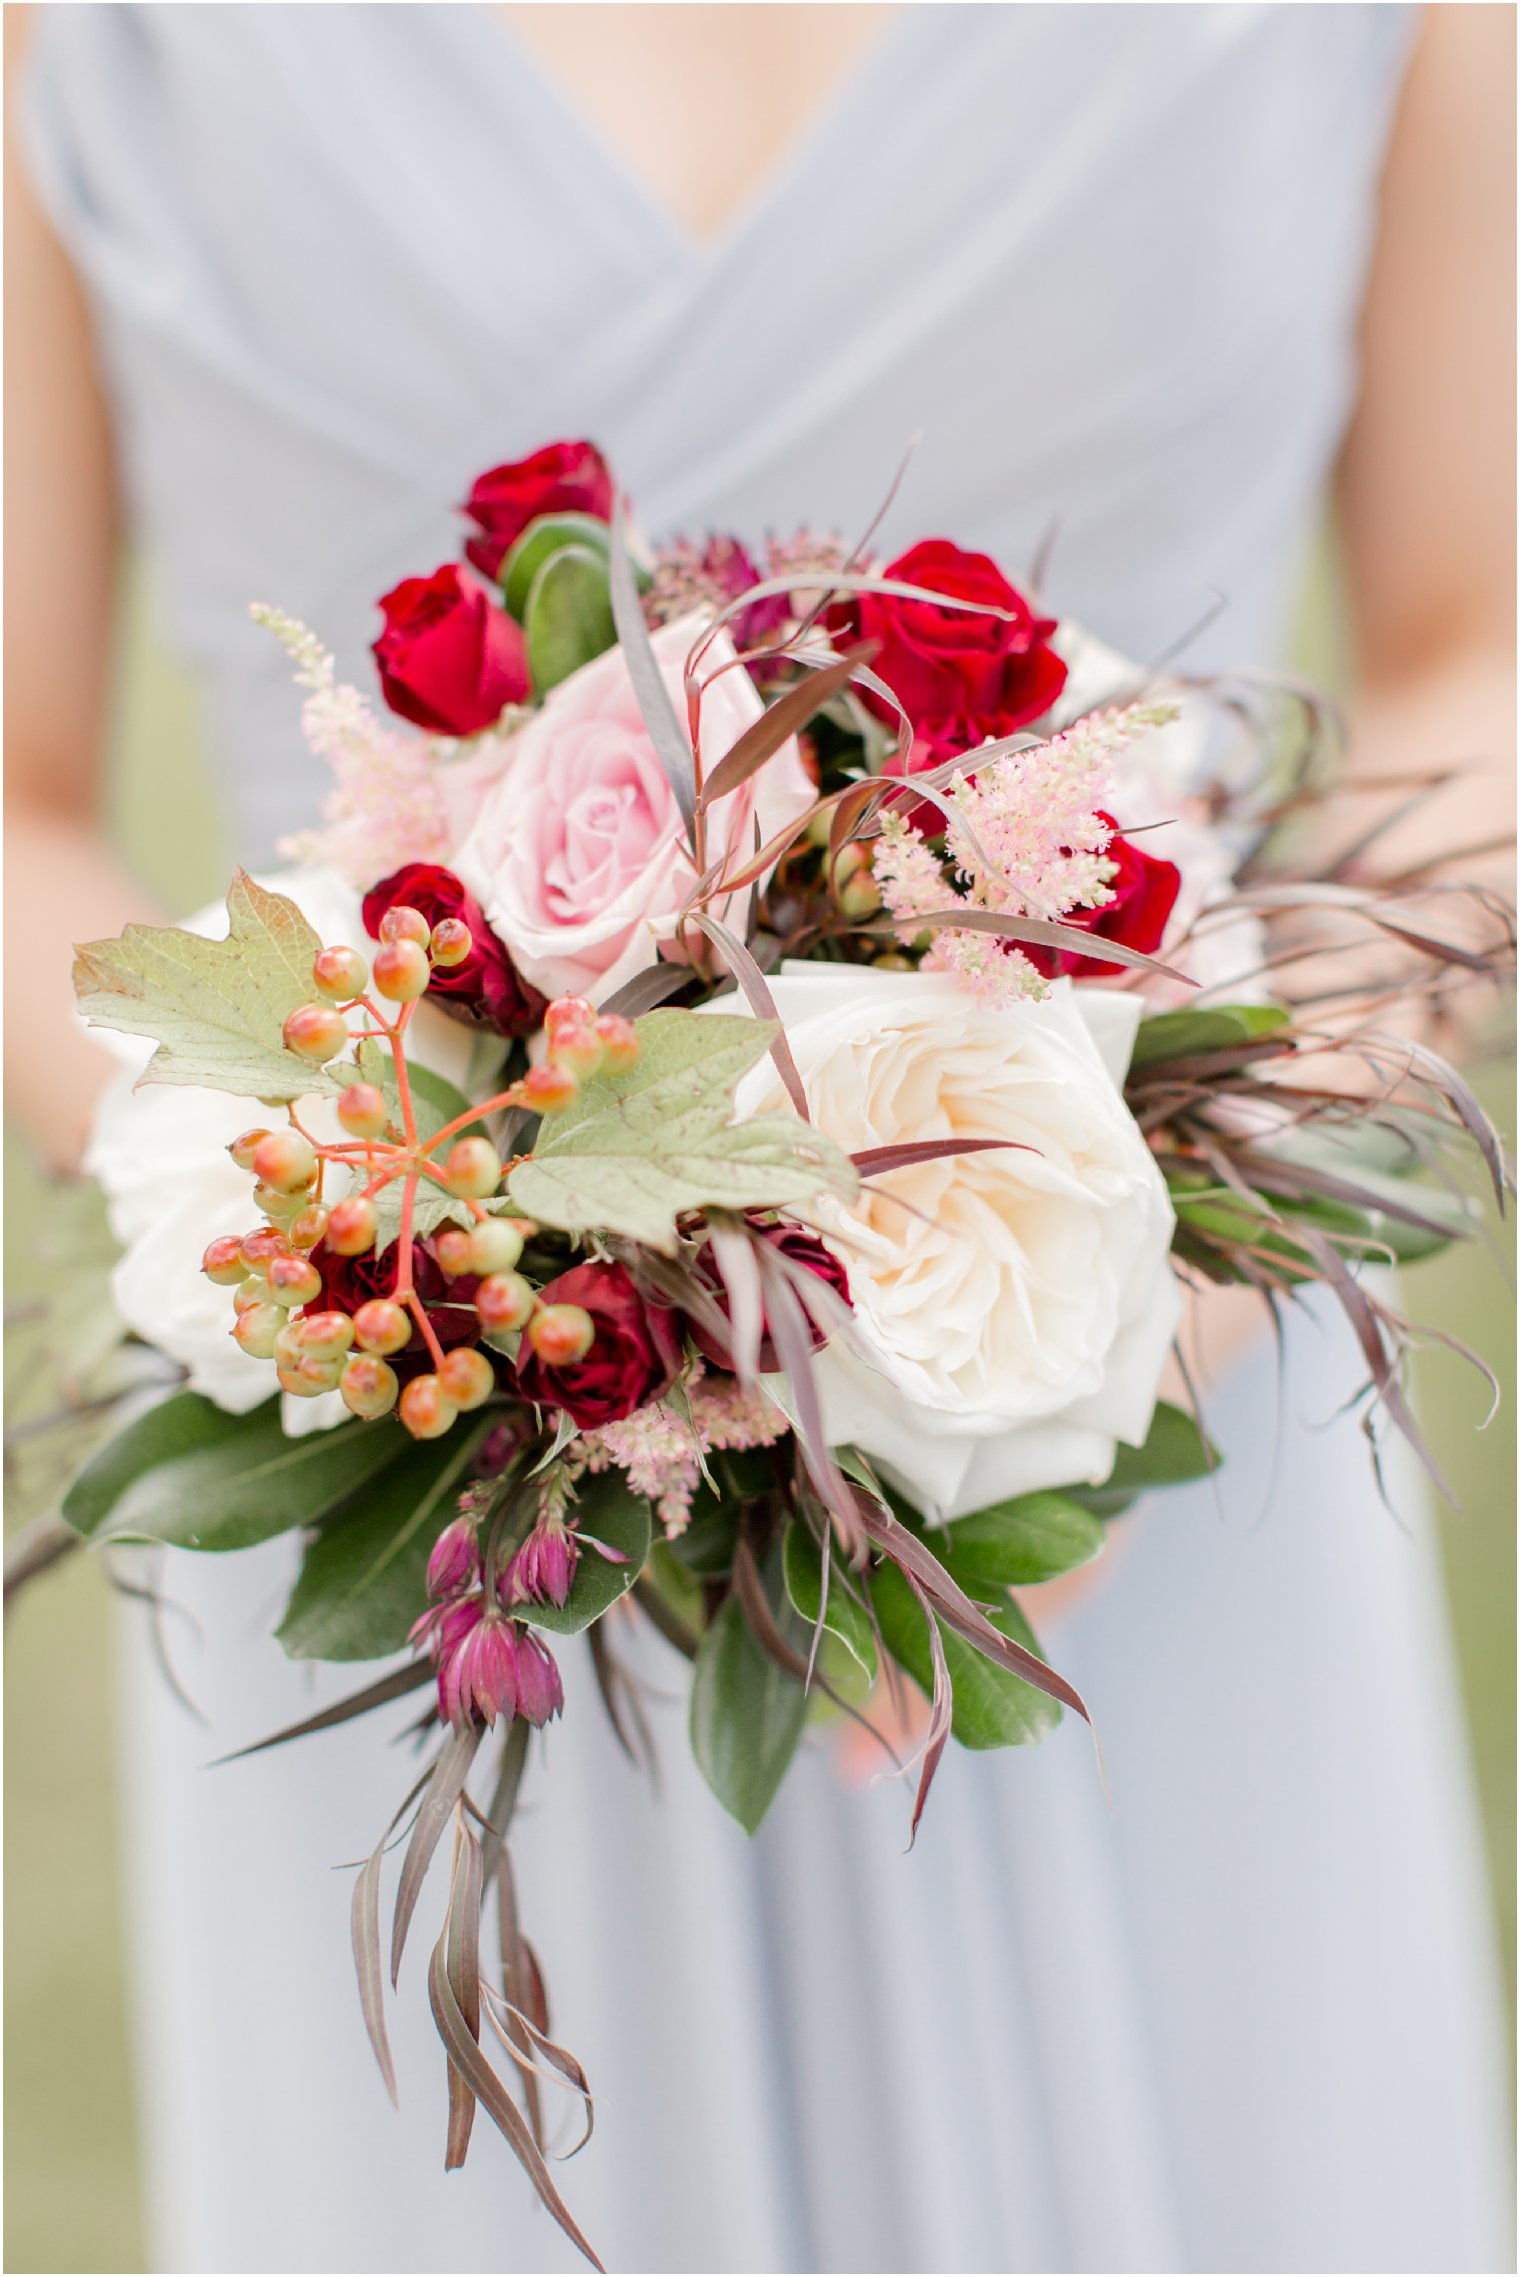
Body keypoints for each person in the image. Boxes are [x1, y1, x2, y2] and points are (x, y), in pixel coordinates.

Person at [5, 5, 1513, 2270]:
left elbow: (1470, 640)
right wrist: (433, 1251)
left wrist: (1114, 1294)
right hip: (443, 1497)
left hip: (1150, 1452)